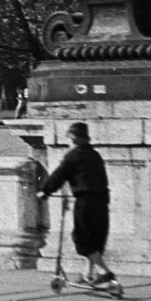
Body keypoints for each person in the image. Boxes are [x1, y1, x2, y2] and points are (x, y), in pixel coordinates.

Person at [37, 121, 115, 288]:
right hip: (102, 200)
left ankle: (104, 273)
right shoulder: (95, 154)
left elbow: (59, 175)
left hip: (85, 201)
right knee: (96, 237)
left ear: (73, 139)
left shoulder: (73, 155)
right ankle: (88, 274)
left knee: (82, 238)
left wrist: (45, 191)